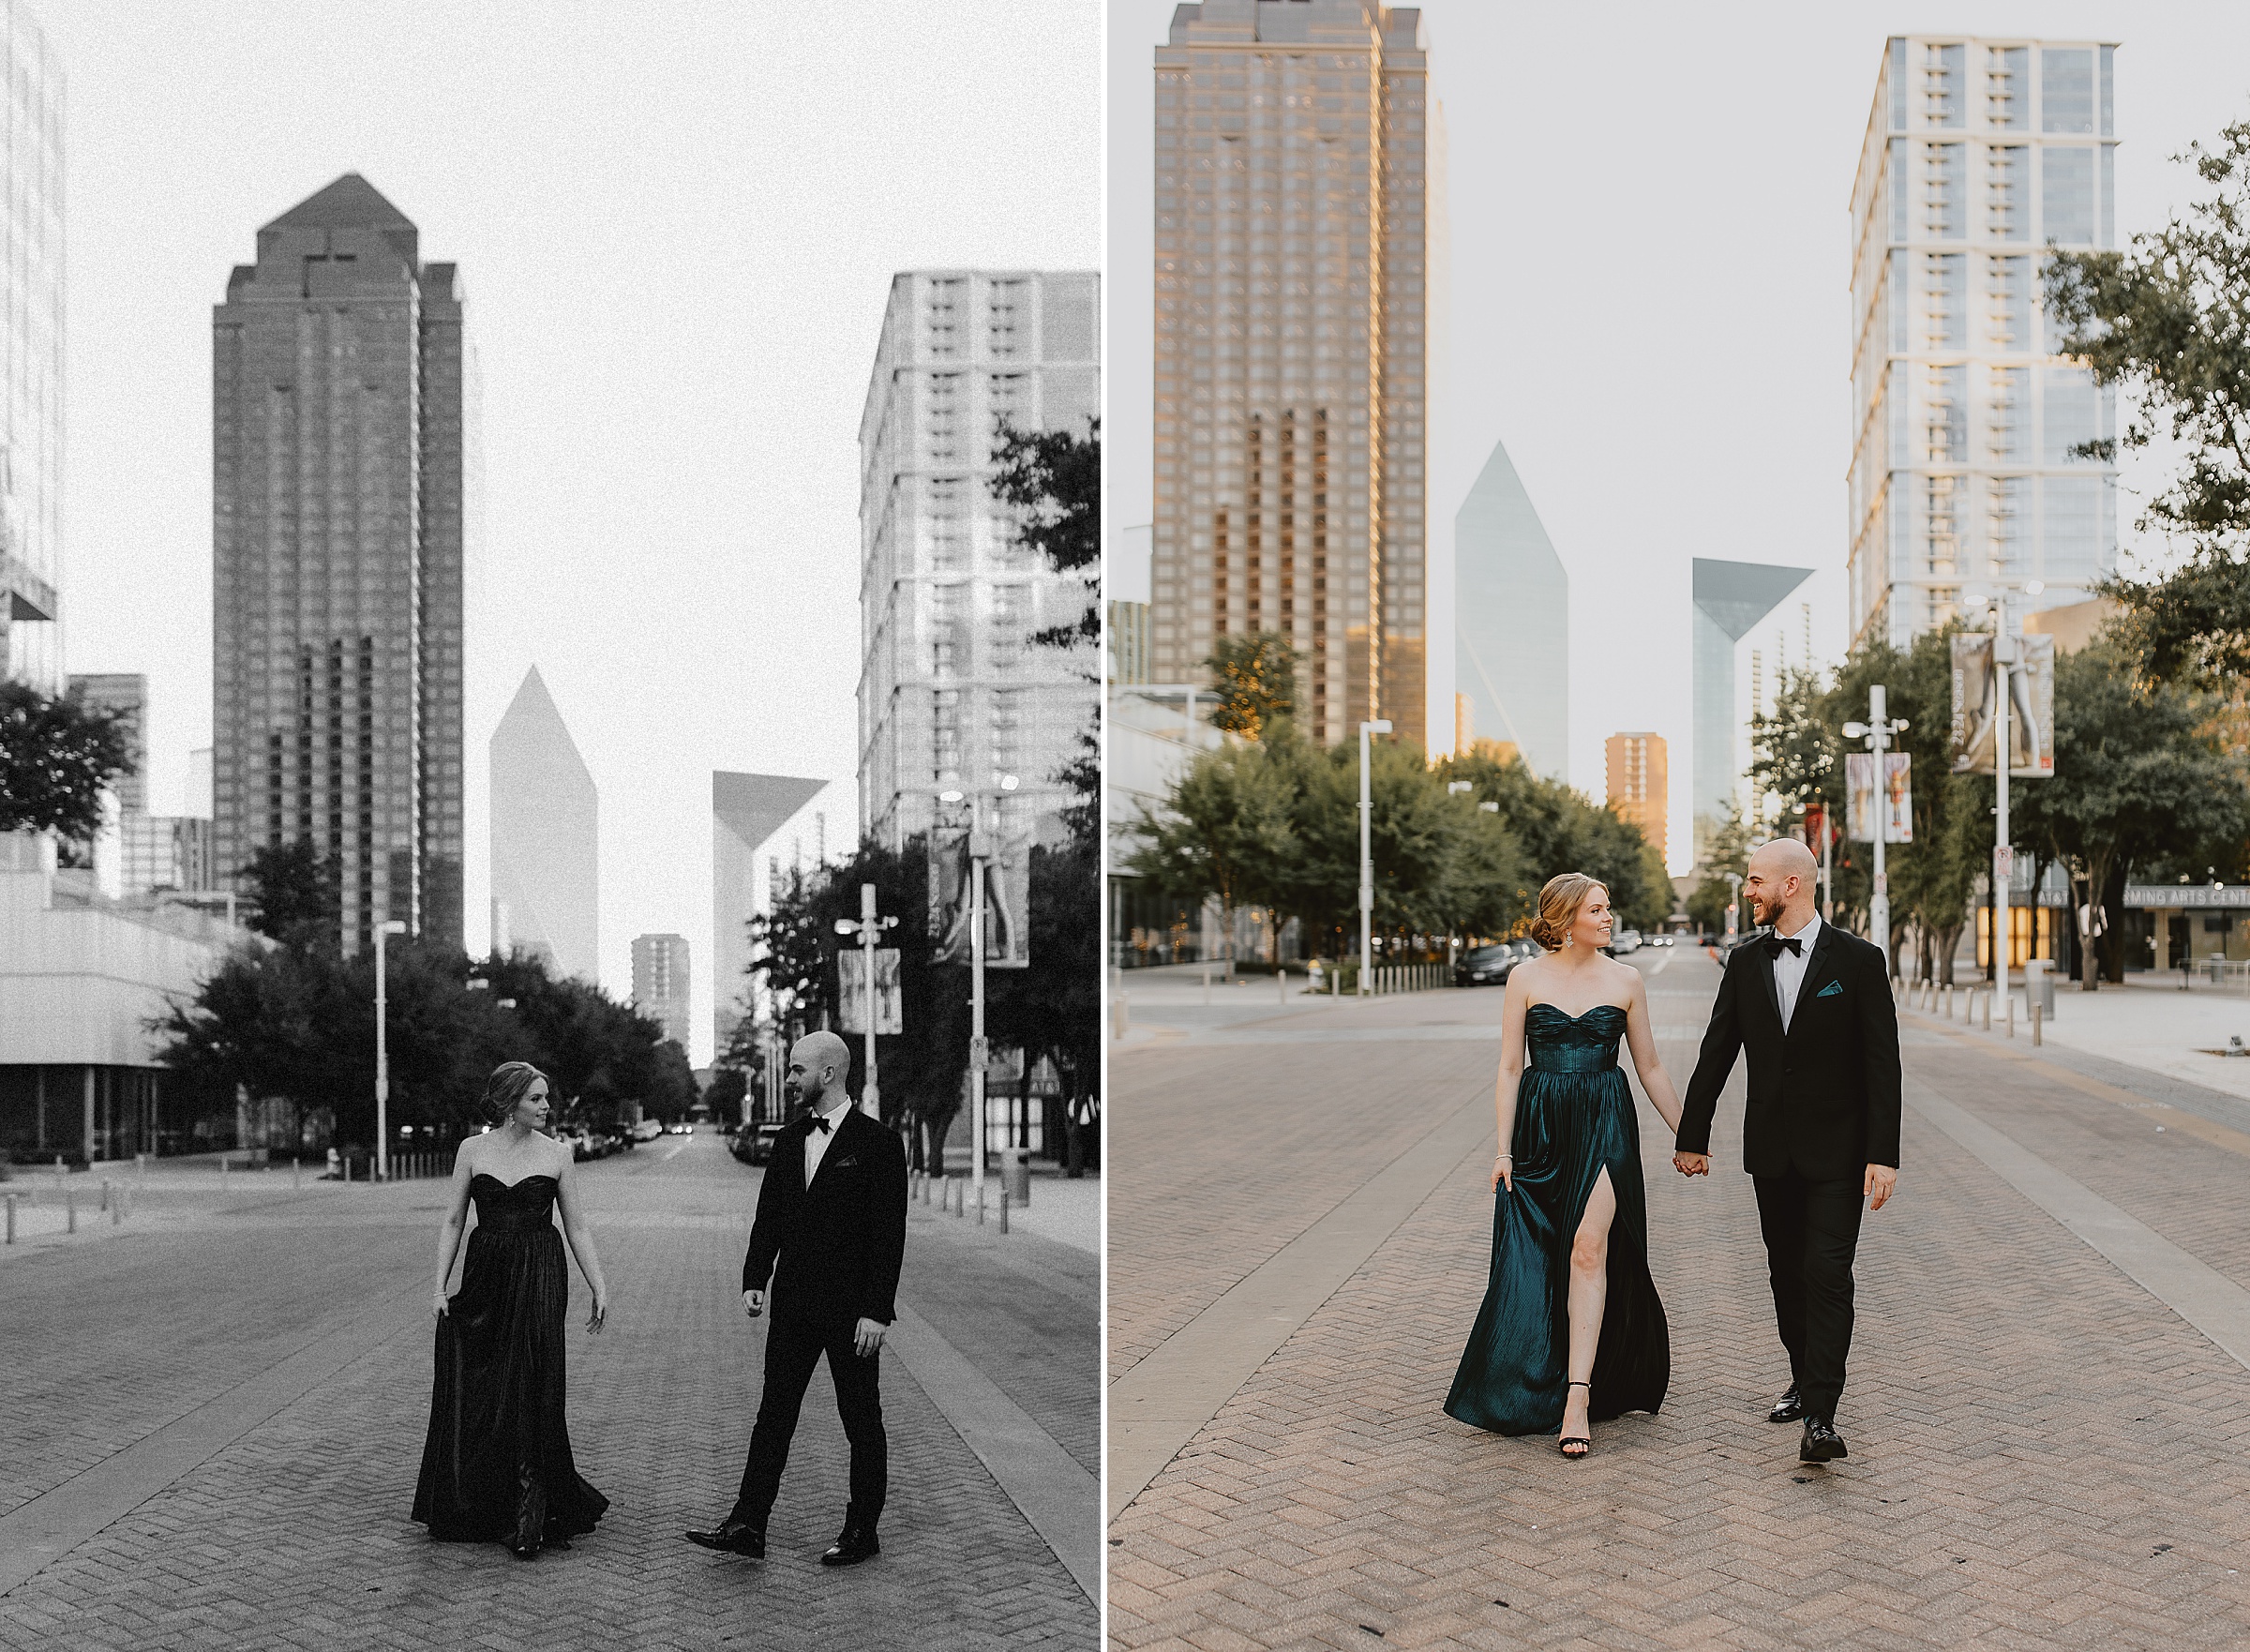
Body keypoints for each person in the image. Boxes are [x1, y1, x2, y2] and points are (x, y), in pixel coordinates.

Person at [1674, 837, 1902, 1464]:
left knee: (1827, 1273)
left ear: (1791, 885)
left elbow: (1883, 1063)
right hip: (1771, 1152)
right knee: (1787, 1274)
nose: (1748, 891)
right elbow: (1717, 1051)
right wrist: (1692, 1136)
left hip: (1840, 1153)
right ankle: (1803, 1379)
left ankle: (1822, 1416)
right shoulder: (1744, 963)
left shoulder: (1858, 961)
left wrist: (1884, 1154)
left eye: (1754, 881)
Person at [1446, 873, 1687, 1458]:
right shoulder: (1524, 978)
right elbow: (1507, 1067)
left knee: (1587, 1246)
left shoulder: (1627, 979)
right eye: (1599, 910)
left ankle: (1578, 1394)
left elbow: (1649, 1066)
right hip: (1541, 1124)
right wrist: (1503, 1150)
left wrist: (1690, 1131)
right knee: (1543, 1250)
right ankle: (1537, 1370)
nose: (1609, 918)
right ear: (1566, 917)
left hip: (1606, 1120)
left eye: (1608, 908)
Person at [685, 1030, 908, 1566]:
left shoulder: (878, 1143)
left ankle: (862, 1529)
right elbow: (770, 1218)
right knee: (774, 1414)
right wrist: (754, 1278)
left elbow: (888, 1234)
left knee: (860, 1418)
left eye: (795, 1070)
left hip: (854, 1313)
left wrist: (878, 1310)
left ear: (828, 1073)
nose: (787, 1080)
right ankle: (748, 1523)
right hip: (794, 1306)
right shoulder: (788, 1142)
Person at [412, 1061, 610, 1558]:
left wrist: (598, 1284)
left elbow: (578, 1228)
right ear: (509, 1104)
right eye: (536, 1099)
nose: (547, 1107)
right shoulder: (472, 1151)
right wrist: (439, 1285)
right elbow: (455, 1218)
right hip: (487, 1276)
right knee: (490, 1383)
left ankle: (531, 1514)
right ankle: (486, 1499)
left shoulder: (558, 1155)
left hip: (541, 1272)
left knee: (533, 1383)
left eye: (547, 1098)